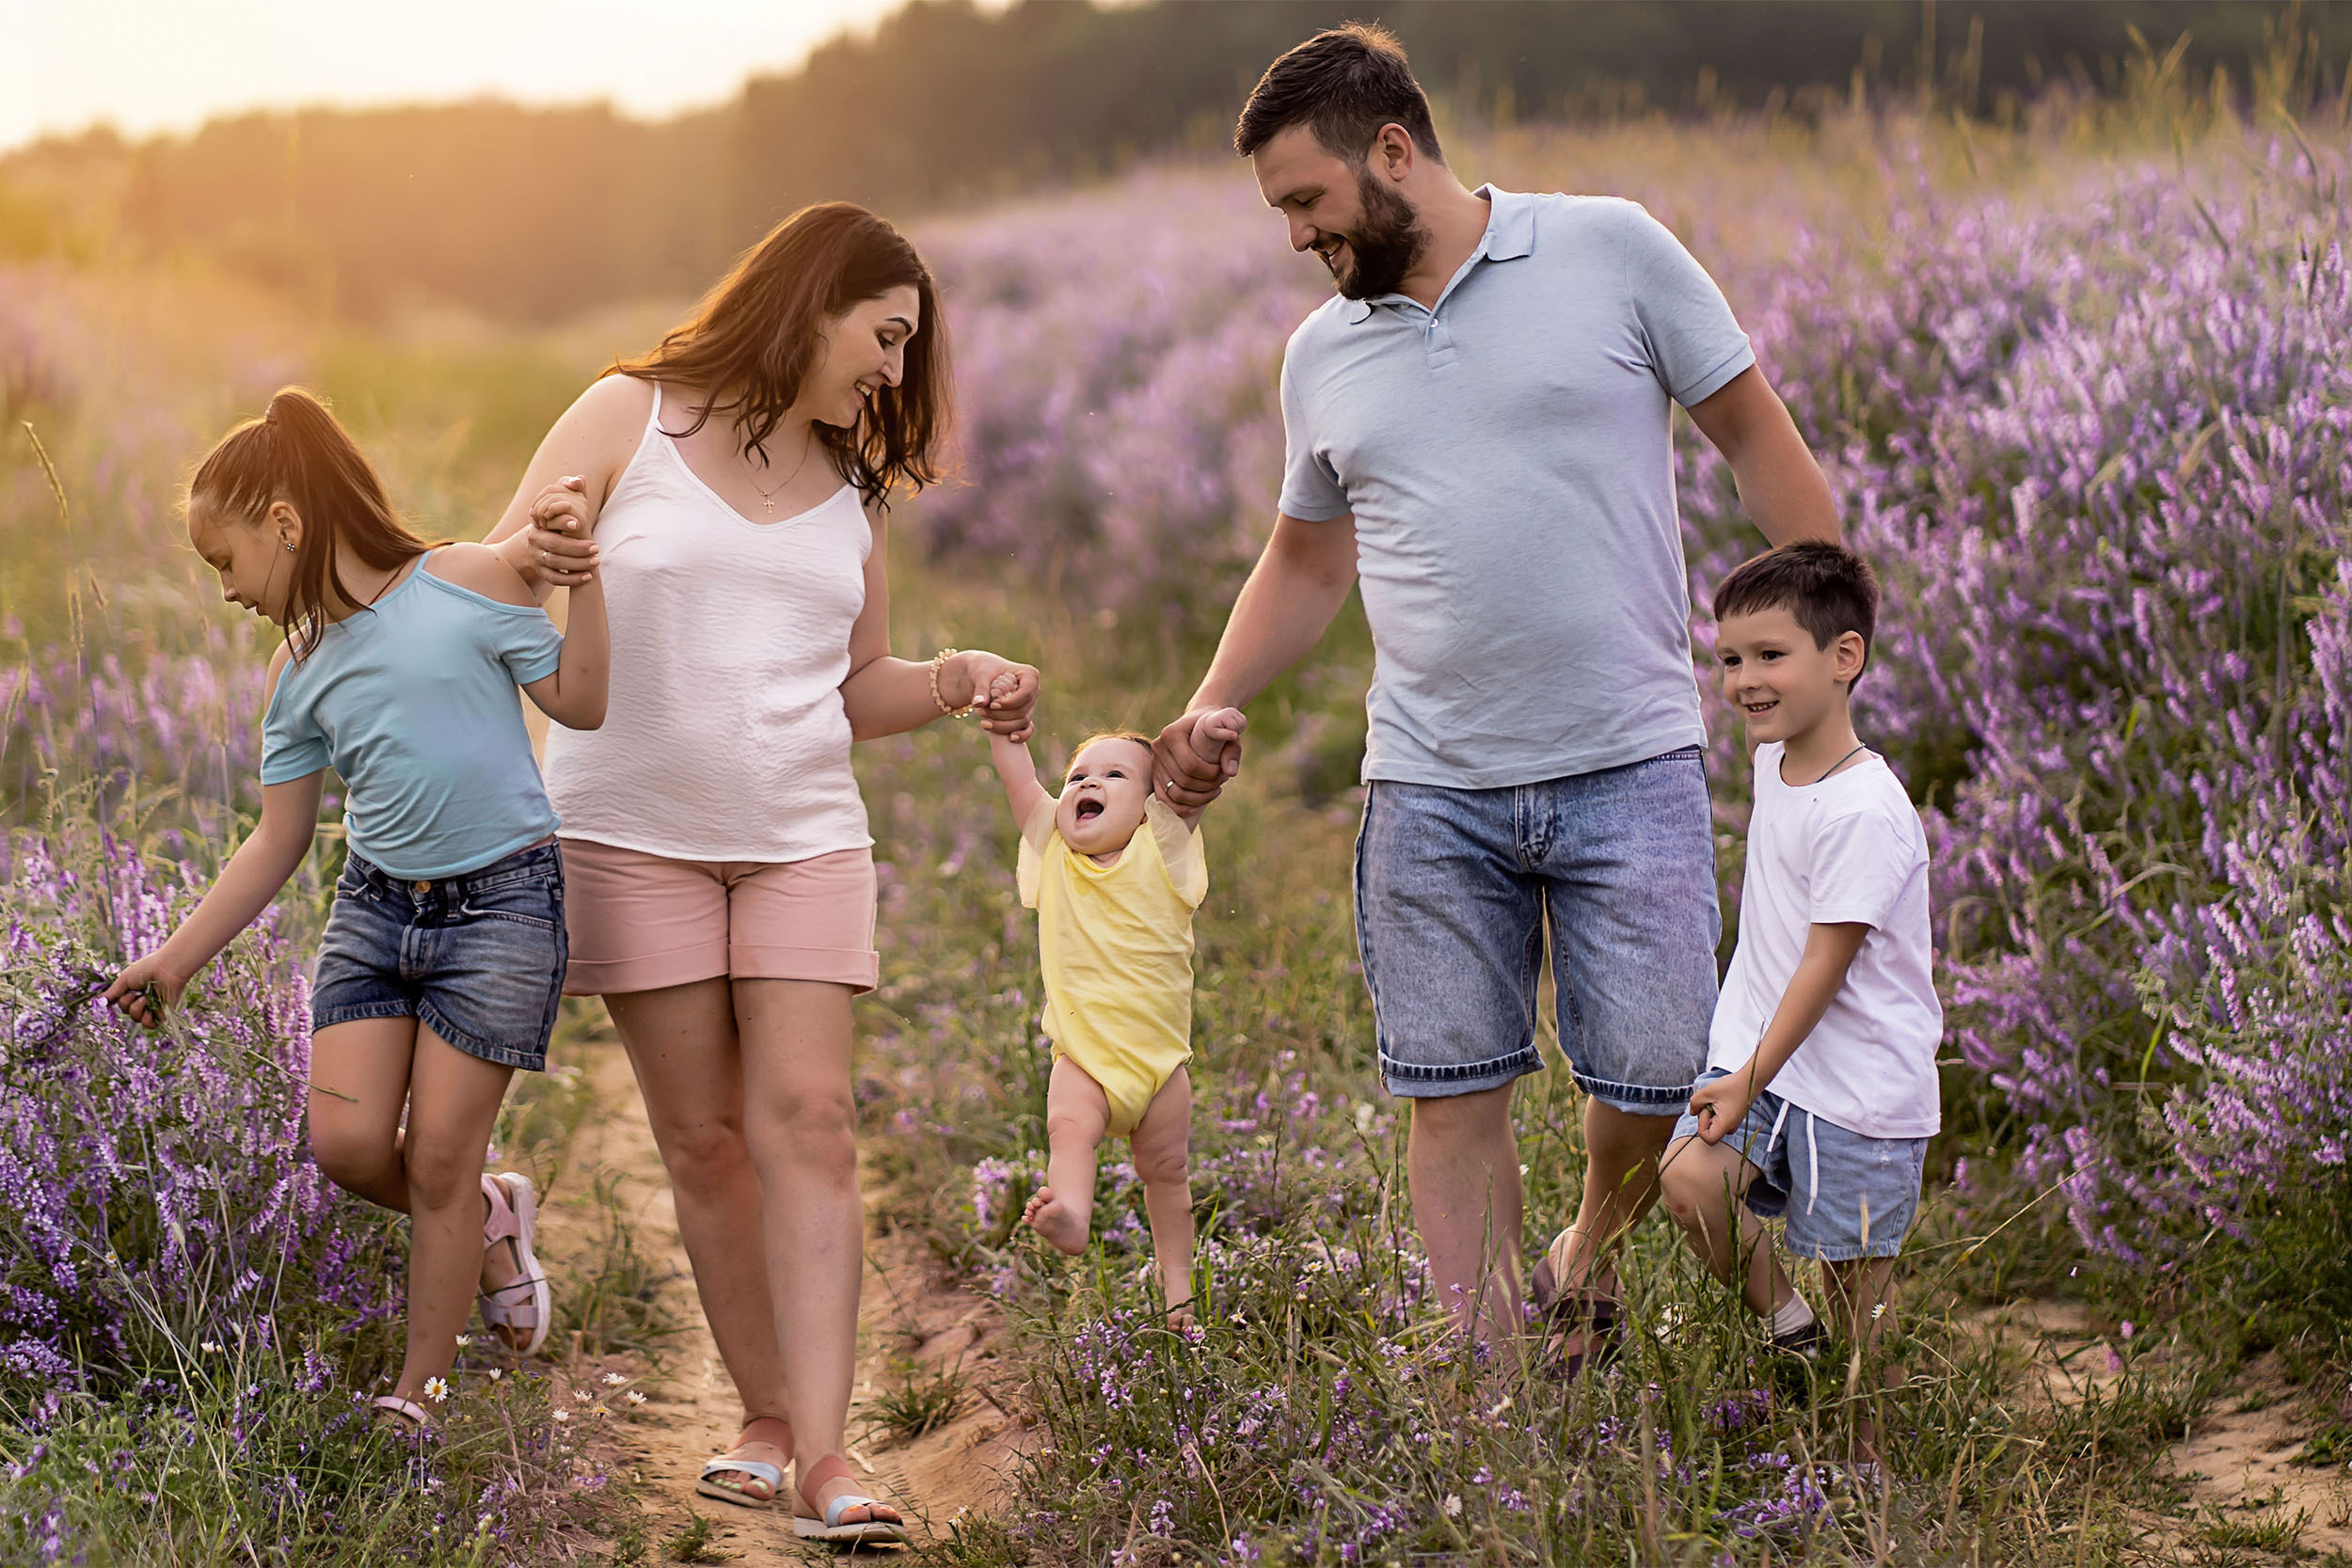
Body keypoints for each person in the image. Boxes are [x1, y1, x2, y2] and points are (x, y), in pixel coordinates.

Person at [1152, 24, 1841, 1368]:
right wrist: (1210, 697)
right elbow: (1306, 550)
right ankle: (1494, 1412)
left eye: (1307, 199)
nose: (1295, 236)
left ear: (1393, 150)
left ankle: (1583, 1248)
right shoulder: (1322, 355)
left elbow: (1752, 427)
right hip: (1427, 783)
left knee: (1650, 1085)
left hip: (1627, 757)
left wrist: (1828, 639)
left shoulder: (1611, 249)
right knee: (1448, 1094)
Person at [486, 202, 1036, 1545]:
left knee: (811, 1121)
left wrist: (952, 677)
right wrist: (544, 555)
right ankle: (766, 1414)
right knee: (706, 1140)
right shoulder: (627, 415)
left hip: (802, 832)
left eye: (910, 350)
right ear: (813, 300)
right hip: (626, 832)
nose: (895, 373)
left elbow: (856, 687)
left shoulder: (852, 488)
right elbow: (494, 586)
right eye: (886, 335)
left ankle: (831, 1453)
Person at [104, 387, 608, 1425]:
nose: (228, 590)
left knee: (434, 1155)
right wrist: (173, 958)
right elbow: (275, 839)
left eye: (226, 561)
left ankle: (418, 1389)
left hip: (502, 908)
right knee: (344, 1147)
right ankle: (485, 1215)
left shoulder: (465, 580)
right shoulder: (295, 674)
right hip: (376, 915)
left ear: (284, 523)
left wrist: (584, 580)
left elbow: (583, 703)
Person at [1659, 544, 1940, 1436]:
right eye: (1731, 659)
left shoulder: (1866, 810)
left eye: (1771, 656)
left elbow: (1826, 960)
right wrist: (1746, 1064)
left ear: (1844, 657)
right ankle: (1790, 1330)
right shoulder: (1776, 761)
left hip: (1857, 1089)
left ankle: (1866, 1474)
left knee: (1861, 1308)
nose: (1744, 680)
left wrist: (1746, 1072)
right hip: (1769, 1061)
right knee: (1688, 1177)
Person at [989, 713, 1245, 1326]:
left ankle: (1177, 1287)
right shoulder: (1054, 851)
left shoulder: (1163, 848)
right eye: (1077, 774)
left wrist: (1207, 737)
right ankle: (1072, 1212)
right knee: (1068, 1125)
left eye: (1113, 773)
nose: (1086, 783)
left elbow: (1191, 788)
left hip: (1160, 1066)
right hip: (1084, 1056)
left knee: (1168, 1174)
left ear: (1151, 803)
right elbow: (1019, 779)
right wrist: (1001, 726)